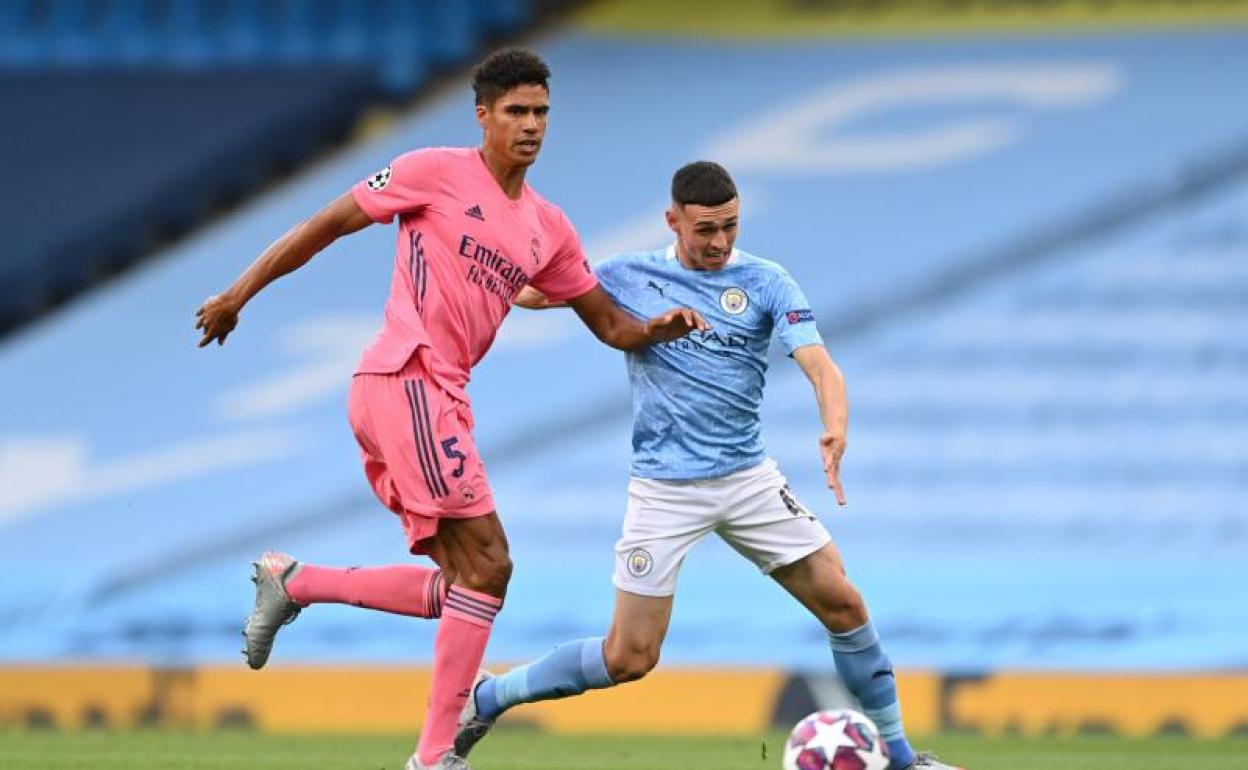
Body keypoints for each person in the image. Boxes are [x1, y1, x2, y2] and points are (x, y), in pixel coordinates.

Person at [193, 49, 706, 770]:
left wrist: (660, 328)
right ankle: (434, 755)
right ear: (484, 116)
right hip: (405, 378)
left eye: (541, 114)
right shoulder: (433, 171)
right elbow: (327, 222)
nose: (531, 127)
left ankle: (295, 581)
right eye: (517, 112)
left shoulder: (547, 229)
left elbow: (609, 324)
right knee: (491, 564)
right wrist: (237, 295)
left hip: (436, 399)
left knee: (467, 586)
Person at [454, 161, 965, 770]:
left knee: (845, 604)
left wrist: (835, 424)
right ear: (673, 221)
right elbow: (533, 291)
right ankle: (488, 696)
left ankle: (905, 761)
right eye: (704, 230)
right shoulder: (626, 275)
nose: (719, 242)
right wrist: (476, 259)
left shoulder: (767, 281)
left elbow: (822, 365)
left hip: (748, 480)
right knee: (630, 657)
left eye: (729, 226)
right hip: (664, 489)